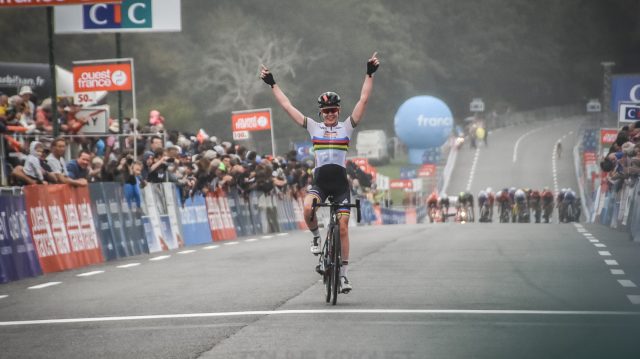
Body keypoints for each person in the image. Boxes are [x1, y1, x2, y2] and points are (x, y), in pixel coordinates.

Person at [260, 52, 380, 293]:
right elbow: (286, 106)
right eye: (326, 111)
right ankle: (316, 236)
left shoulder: (347, 126)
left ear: (338, 110)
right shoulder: (313, 127)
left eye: (334, 110)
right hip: (321, 183)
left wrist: (369, 73)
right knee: (307, 208)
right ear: (320, 113)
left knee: (343, 227)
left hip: (340, 186)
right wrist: (273, 83)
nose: (330, 114)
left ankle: (344, 275)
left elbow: (364, 100)